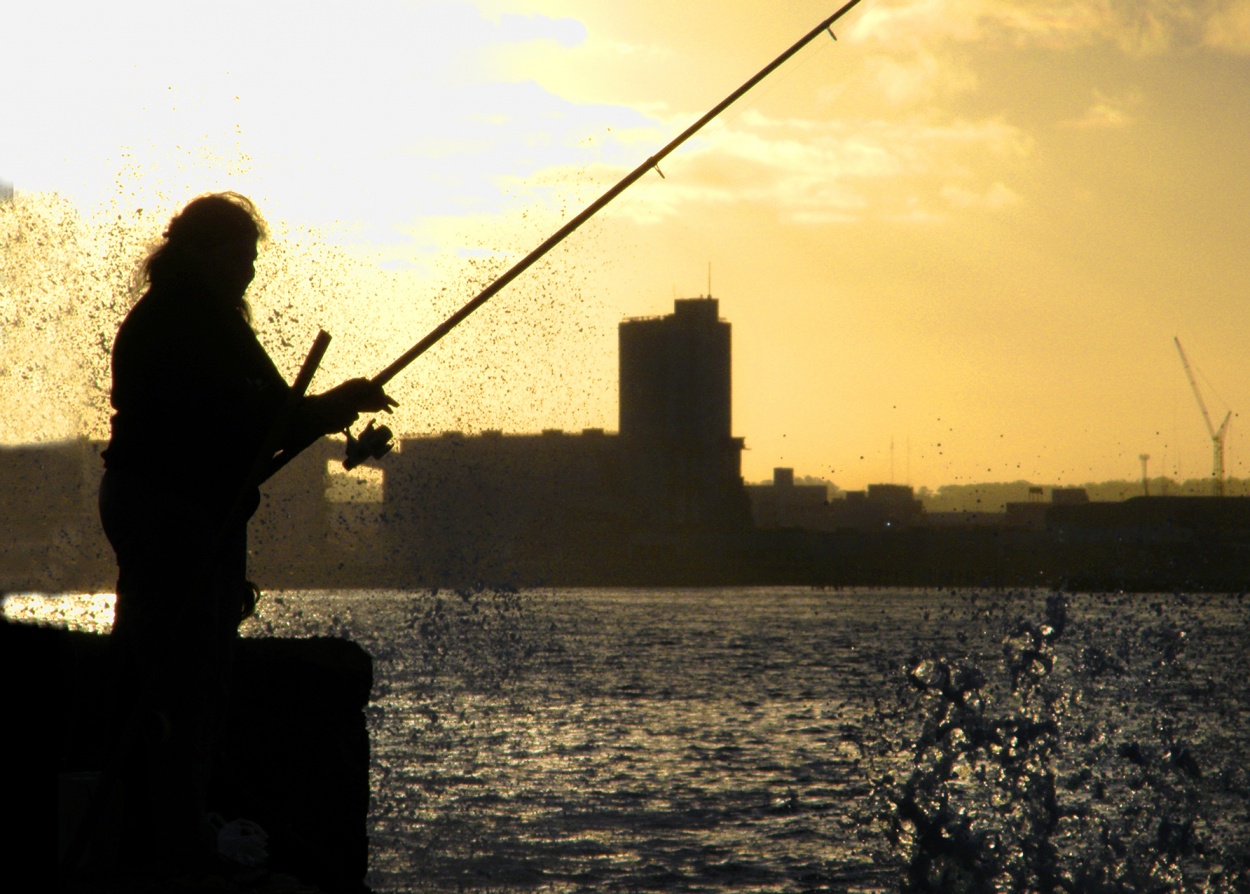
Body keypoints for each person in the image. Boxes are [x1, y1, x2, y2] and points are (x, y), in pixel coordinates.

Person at [97, 192, 394, 877]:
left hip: (172, 508)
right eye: (240, 258)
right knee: (185, 681)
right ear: (201, 254)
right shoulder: (195, 321)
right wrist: (340, 401)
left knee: (162, 668)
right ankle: (175, 843)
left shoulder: (179, 315)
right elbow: (270, 422)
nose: (250, 274)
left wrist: (325, 407)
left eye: (254, 260)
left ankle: (160, 827)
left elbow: (266, 420)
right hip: (174, 513)